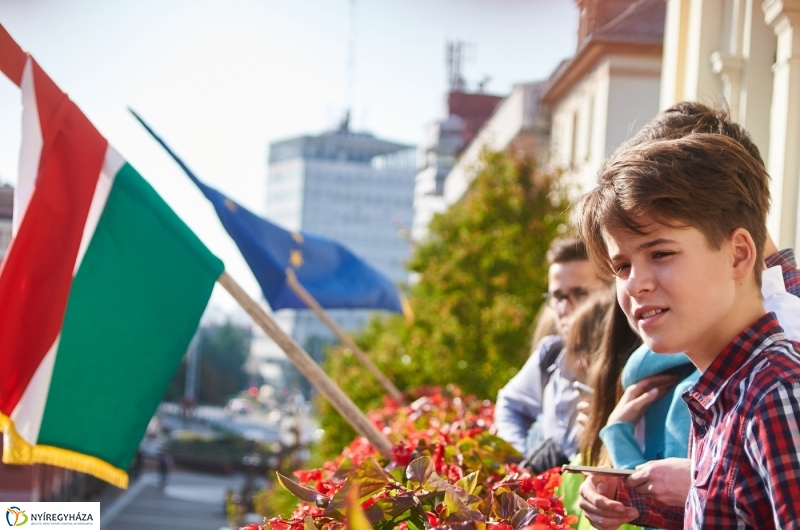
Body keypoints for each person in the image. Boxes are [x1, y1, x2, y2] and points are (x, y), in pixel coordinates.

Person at [574, 132, 800, 529]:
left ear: (739, 255)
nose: (635, 284)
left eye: (661, 253)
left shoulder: (775, 391)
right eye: (622, 266)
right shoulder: (728, 389)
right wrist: (633, 501)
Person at [494, 236, 607, 468]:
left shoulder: (633, 361)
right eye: (558, 296)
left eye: (580, 294)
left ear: (611, 290)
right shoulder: (551, 354)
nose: (565, 308)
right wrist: (524, 461)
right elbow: (509, 405)